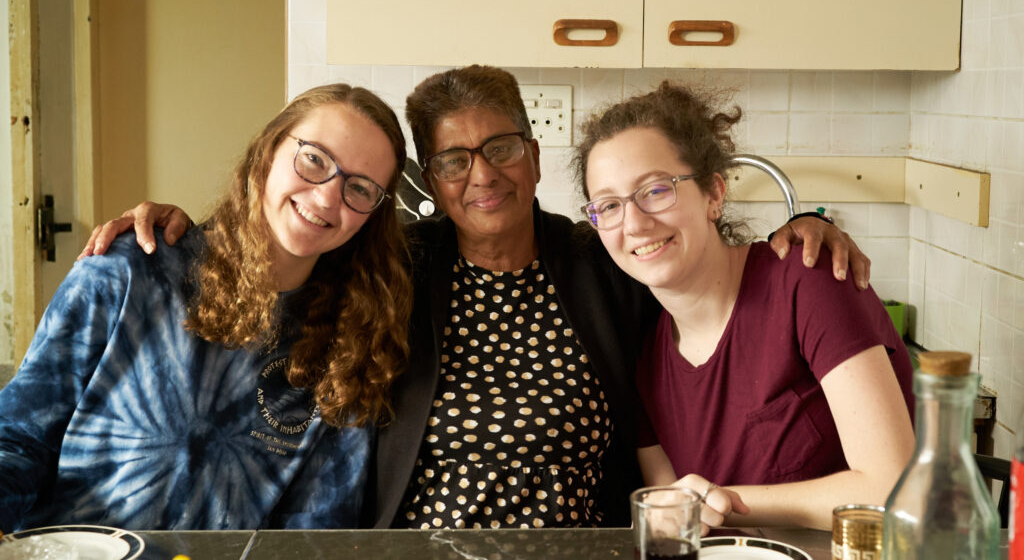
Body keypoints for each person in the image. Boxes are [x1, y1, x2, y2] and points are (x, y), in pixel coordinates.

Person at [80, 65, 872, 530]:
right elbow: (291, 247)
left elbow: (698, 268)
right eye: (454, 159)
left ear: (531, 156)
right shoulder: (394, 267)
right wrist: (184, 227)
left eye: (500, 148)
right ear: (428, 182)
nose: (482, 175)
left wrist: (798, 232)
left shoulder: (601, 261)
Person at [0, 84, 412, 531]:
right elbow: (20, 438)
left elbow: (321, 525)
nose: (328, 197)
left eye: (361, 188)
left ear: (374, 214)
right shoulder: (130, 270)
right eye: (314, 159)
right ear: (269, 150)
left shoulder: (355, 341)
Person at [572, 82, 915, 532]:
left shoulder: (808, 280)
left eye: (656, 190)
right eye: (609, 205)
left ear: (714, 194)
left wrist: (727, 500)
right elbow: (677, 520)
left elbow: (895, 492)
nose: (634, 223)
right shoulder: (645, 360)